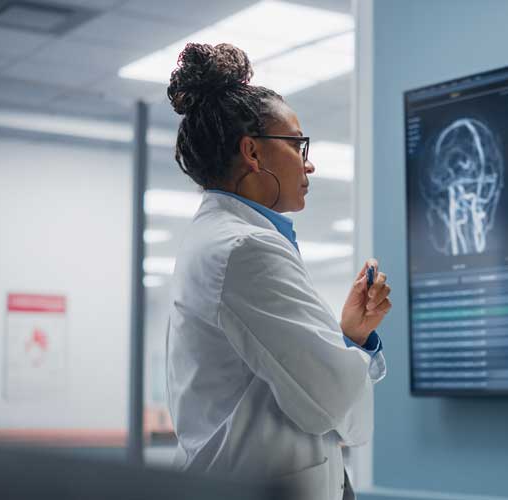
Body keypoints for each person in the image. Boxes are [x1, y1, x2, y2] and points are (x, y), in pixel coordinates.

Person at [164, 42, 391, 500]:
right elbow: (333, 404)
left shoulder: (221, 238)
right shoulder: (245, 248)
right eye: (297, 144)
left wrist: (350, 337)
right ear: (252, 151)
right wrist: (351, 354)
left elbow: (296, 380)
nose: (308, 163)